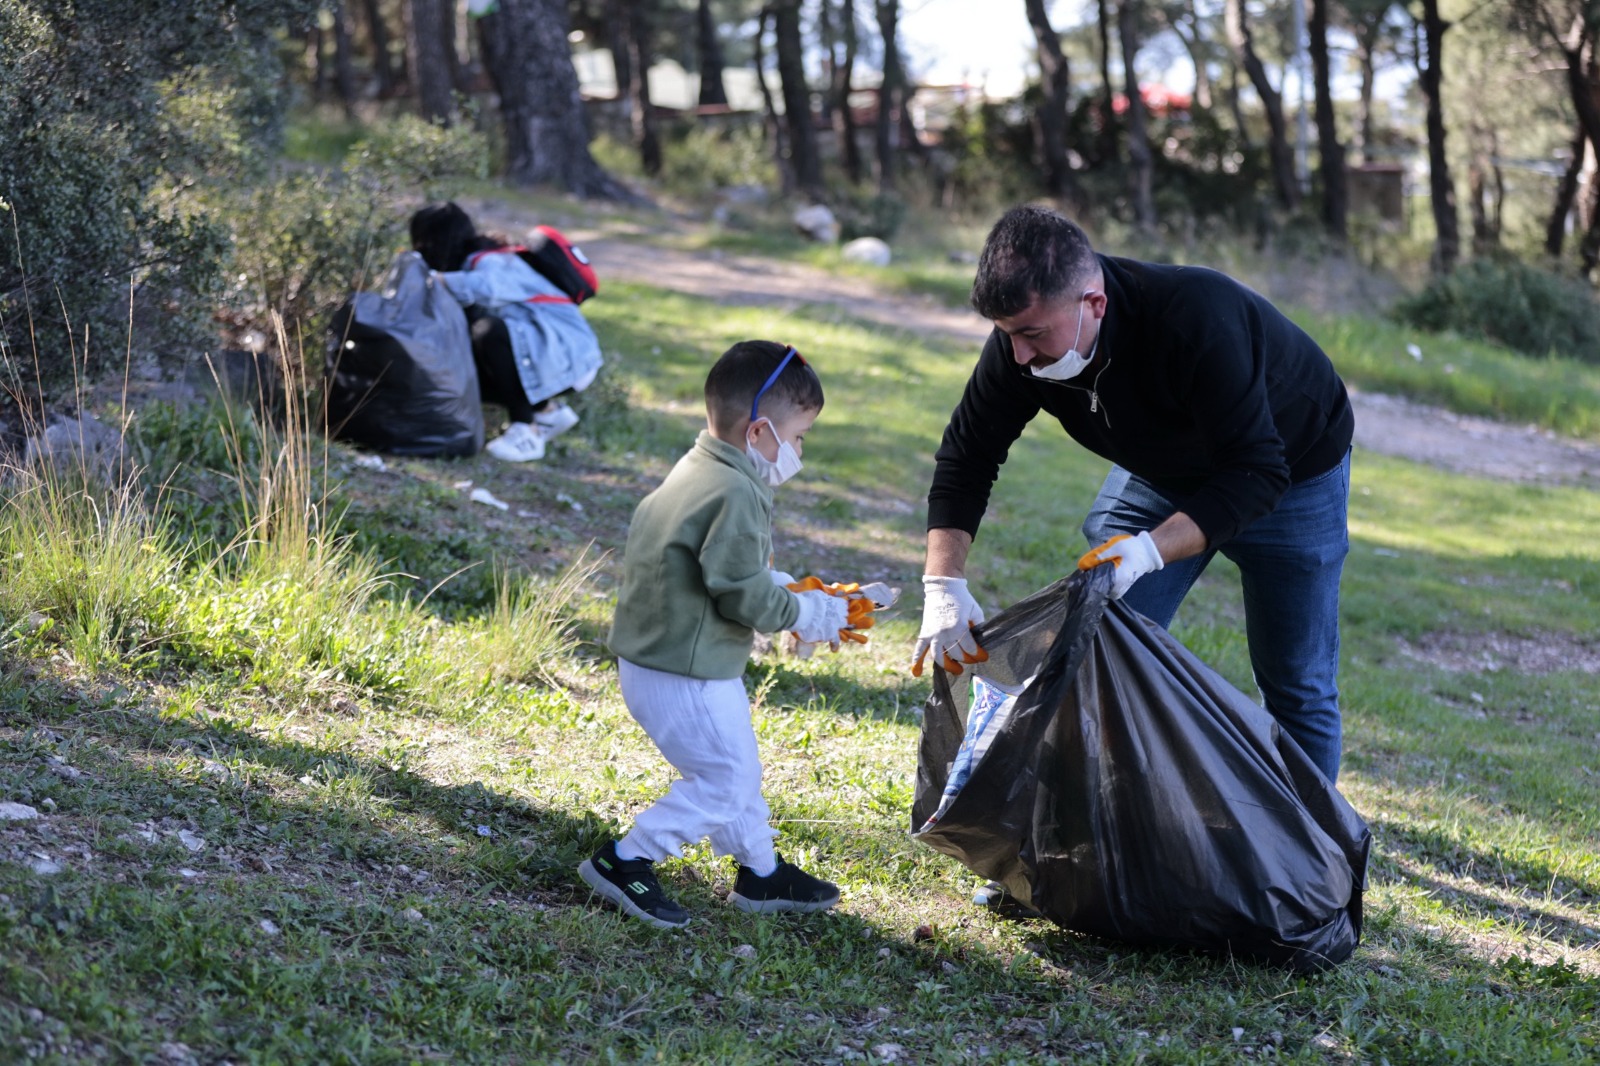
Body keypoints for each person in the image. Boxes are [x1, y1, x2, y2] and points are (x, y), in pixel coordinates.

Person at [917, 204, 1354, 792]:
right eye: (1007, 335)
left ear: (1092, 303)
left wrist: (1149, 551)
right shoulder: (1020, 347)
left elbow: (1256, 472)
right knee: (1091, 648)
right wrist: (943, 585)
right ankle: (1068, 841)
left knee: (1297, 680)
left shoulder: (1195, 317)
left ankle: (1311, 859)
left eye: (1031, 334)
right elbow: (967, 457)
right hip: (1161, 472)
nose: (1019, 355)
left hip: (1291, 474)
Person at [582, 341, 873, 928]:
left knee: (736, 767)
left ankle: (760, 873)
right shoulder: (738, 491)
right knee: (723, 778)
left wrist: (795, 591)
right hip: (685, 670)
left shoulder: (701, 467)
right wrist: (810, 615)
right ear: (760, 431)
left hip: (666, 658)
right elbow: (741, 590)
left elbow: (716, 565)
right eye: (797, 437)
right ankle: (626, 859)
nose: (798, 451)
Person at [410, 202, 603, 463]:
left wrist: (436, 279)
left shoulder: (491, 260)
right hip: (558, 353)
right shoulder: (484, 257)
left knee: (488, 332)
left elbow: (486, 287)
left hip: (570, 355)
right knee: (465, 363)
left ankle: (526, 431)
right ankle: (547, 413)